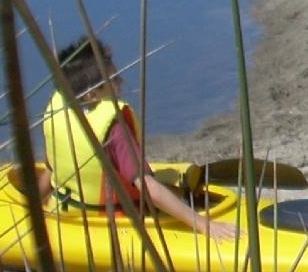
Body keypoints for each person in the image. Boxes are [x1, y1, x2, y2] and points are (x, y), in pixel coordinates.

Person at [39, 36, 235, 241]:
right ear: (92, 95)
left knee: (175, 182)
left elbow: (52, 168)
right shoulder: (114, 127)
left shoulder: (59, 105)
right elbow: (148, 188)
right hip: (110, 219)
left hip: (64, 210)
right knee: (183, 191)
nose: (121, 82)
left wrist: (34, 207)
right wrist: (206, 225)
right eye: (113, 79)